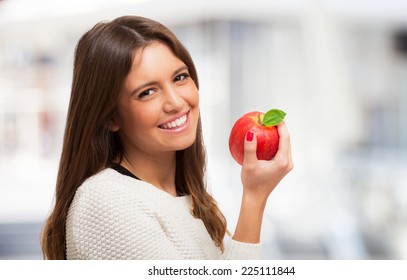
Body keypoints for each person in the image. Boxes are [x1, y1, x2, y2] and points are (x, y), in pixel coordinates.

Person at [40, 15, 293, 260]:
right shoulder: (105, 202)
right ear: (110, 117)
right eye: (147, 92)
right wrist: (254, 197)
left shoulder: (188, 200)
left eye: (180, 77)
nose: (175, 102)